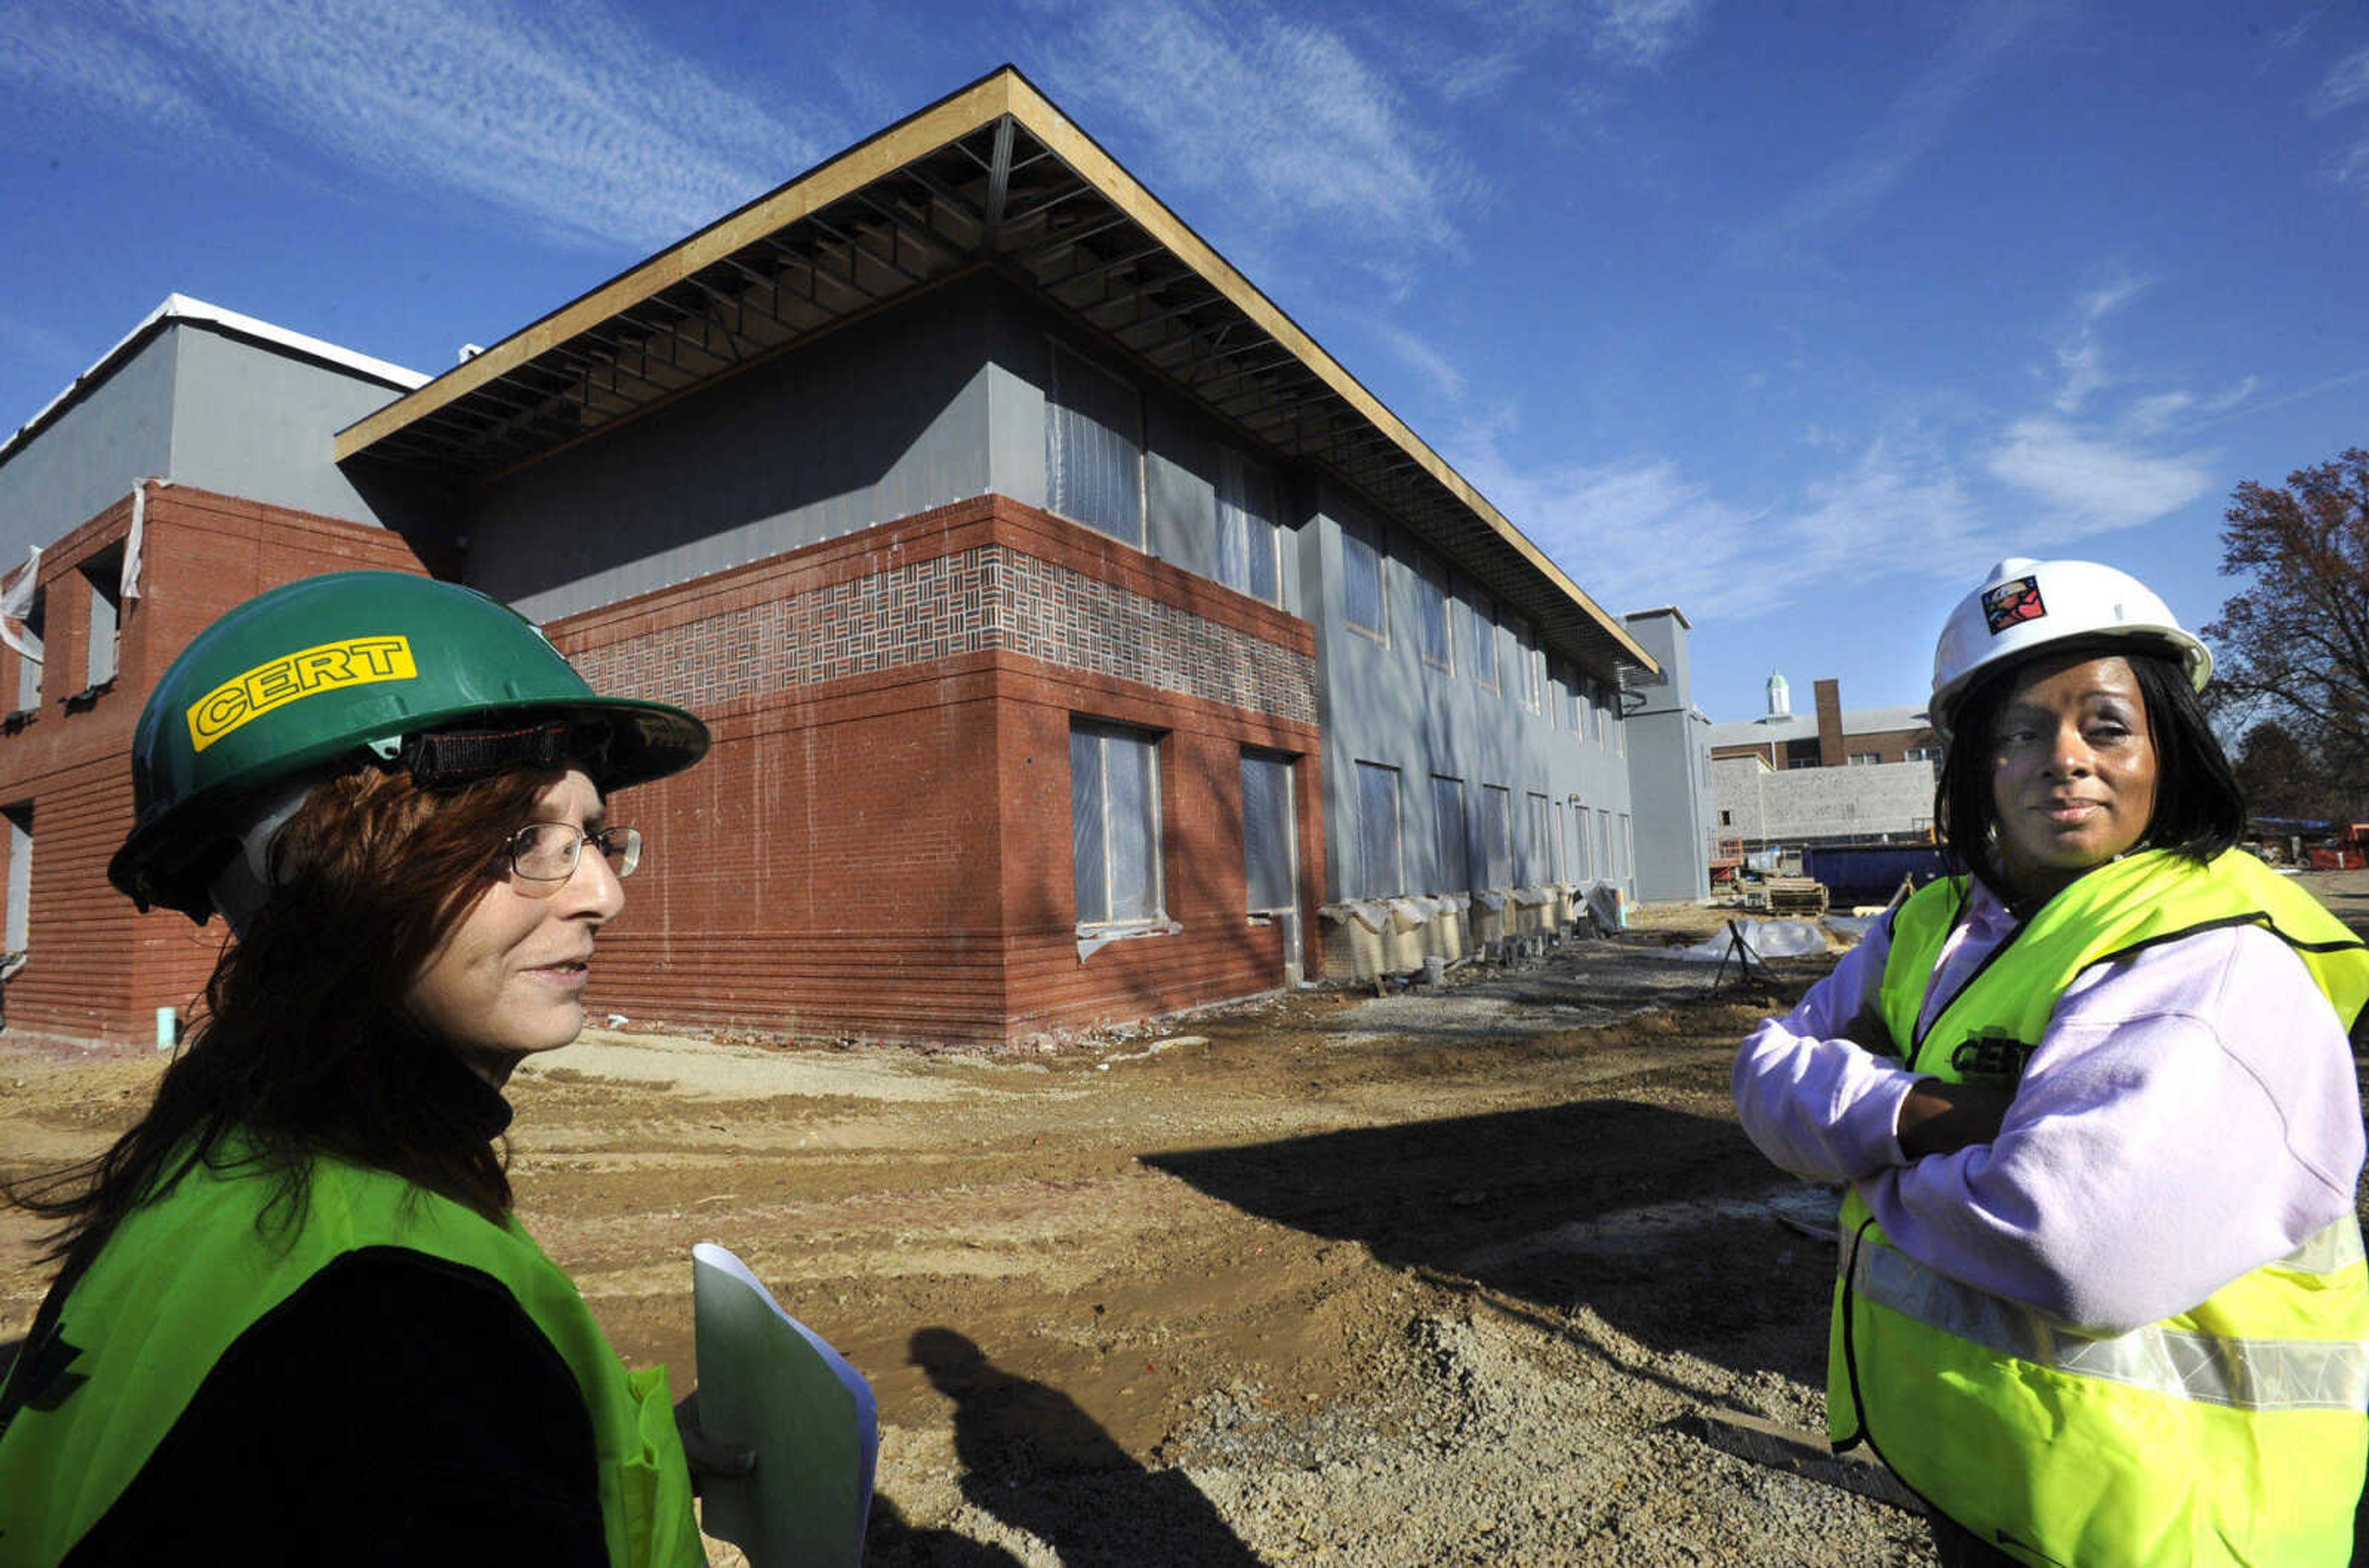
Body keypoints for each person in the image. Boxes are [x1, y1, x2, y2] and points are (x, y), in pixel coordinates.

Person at [0, 571, 739, 1566]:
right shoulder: (395, 1321)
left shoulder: (229, 1164)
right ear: (334, 875)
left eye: (597, 837)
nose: (602, 892)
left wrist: (593, 1469)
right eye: (529, 841)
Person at [1733, 557, 2369, 1567]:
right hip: (1986, 1483)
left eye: (2104, 724)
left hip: (2176, 1524)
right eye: (2020, 731)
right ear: (1977, 762)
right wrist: (1931, 1117)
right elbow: (1762, 1073)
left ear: (2168, 746)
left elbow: (2073, 1243)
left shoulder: (2218, 950)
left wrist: (1852, 1160)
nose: (2061, 757)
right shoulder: (1932, 926)